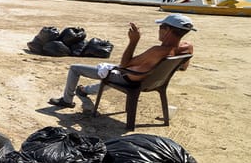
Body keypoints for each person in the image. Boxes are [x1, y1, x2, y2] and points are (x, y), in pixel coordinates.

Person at [48, 14, 195, 108]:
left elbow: (124, 64)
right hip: (149, 81)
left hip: (128, 78)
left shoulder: (157, 51)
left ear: (167, 30)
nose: (159, 29)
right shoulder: (186, 48)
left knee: (75, 68)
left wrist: (134, 41)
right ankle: (84, 90)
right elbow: (183, 68)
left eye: (161, 27)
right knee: (112, 73)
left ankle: (67, 101)